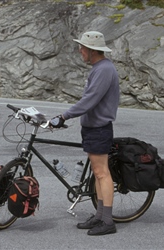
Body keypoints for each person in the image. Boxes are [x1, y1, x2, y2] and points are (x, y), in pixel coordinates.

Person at [50, 31, 119, 236]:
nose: (80, 50)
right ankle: (99, 215)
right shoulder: (99, 68)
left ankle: (108, 221)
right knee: (97, 174)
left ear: (91, 50)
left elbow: (90, 100)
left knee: (102, 173)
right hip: (92, 129)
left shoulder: (104, 69)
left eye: (82, 47)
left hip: (99, 129)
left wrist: (64, 116)